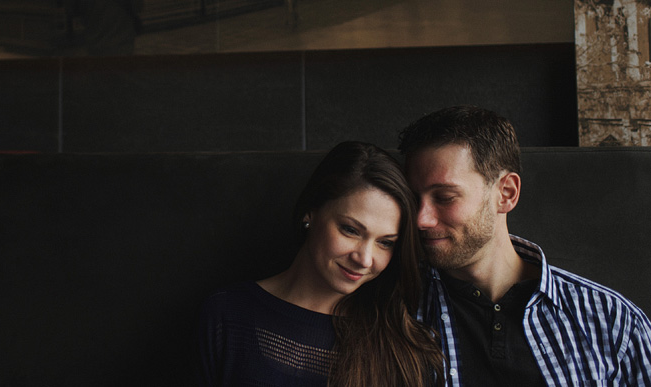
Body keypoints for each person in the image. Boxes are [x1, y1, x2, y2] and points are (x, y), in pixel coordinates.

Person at [398, 106, 651, 386]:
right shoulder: (392, 308)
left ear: (506, 193)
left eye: (445, 197)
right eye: (413, 199)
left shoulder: (613, 323)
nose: (421, 219)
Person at [198, 141, 443, 387]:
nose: (365, 259)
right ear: (310, 213)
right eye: (350, 230)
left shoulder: (403, 349)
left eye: (385, 243)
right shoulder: (226, 314)